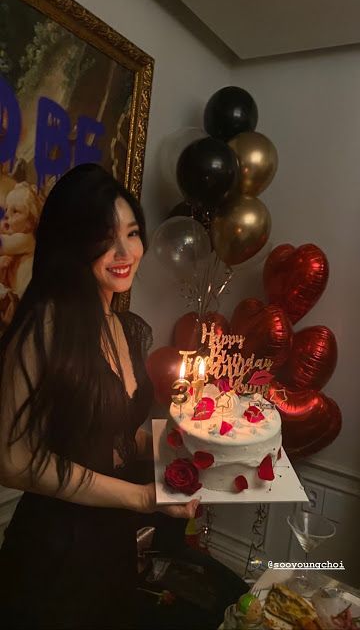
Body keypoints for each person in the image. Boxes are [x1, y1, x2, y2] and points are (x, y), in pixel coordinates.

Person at [0, 163, 198, 630]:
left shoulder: (125, 328)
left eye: (132, 233)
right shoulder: (44, 326)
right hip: (52, 554)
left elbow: (123, 433)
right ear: (73, 243)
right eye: (105, 238)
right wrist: (142, 497)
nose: (125, 252)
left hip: (111, 546)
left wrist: (188, 454)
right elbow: (11, 460)